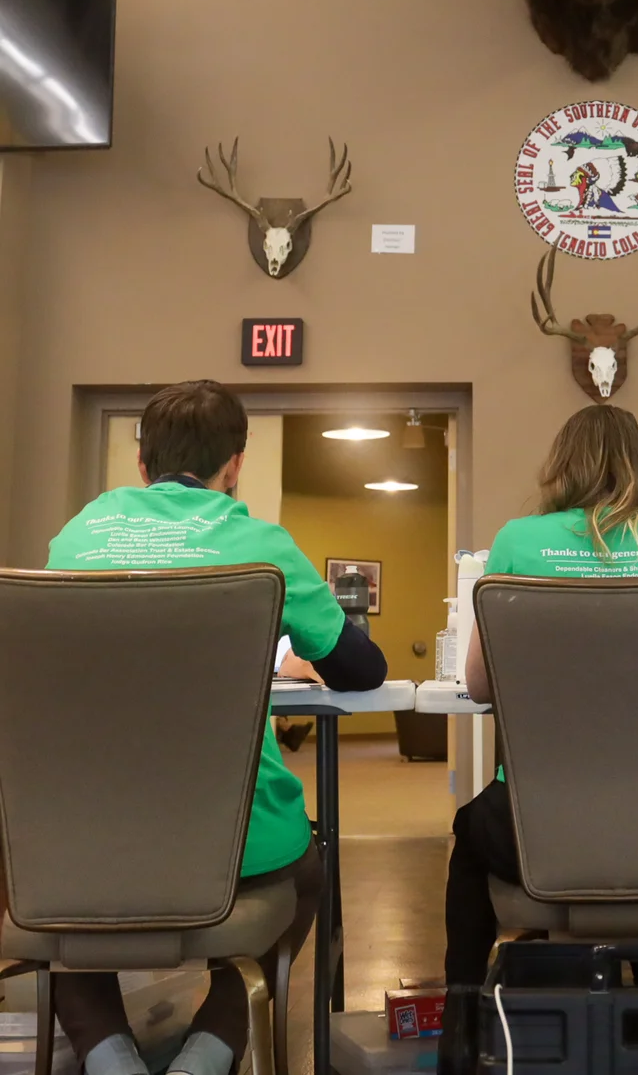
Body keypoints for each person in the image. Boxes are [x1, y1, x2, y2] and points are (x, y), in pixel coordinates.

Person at [30, 380, 387, 1075]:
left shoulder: (76, 535)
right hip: (231, 848)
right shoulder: (259, 543)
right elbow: (360, 668)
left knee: (58, 913)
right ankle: (210, 1053)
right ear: (234, 465)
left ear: (141, 464)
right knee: (309, 871)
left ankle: (109, 1059)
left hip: (78, 842)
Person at [439, 404, 638, 1075]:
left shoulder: (518, 543)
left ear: (561, 468)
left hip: (542, 830)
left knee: (471, 831)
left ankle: (462, 1031)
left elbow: (477, 685)